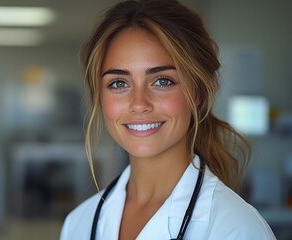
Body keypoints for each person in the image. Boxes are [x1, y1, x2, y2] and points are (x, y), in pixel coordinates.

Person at [60, 0, 276, 239]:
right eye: (119, 83)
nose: (139, 103)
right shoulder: (79, 223)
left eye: (162, 81)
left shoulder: (235, 228)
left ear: (198, 93)